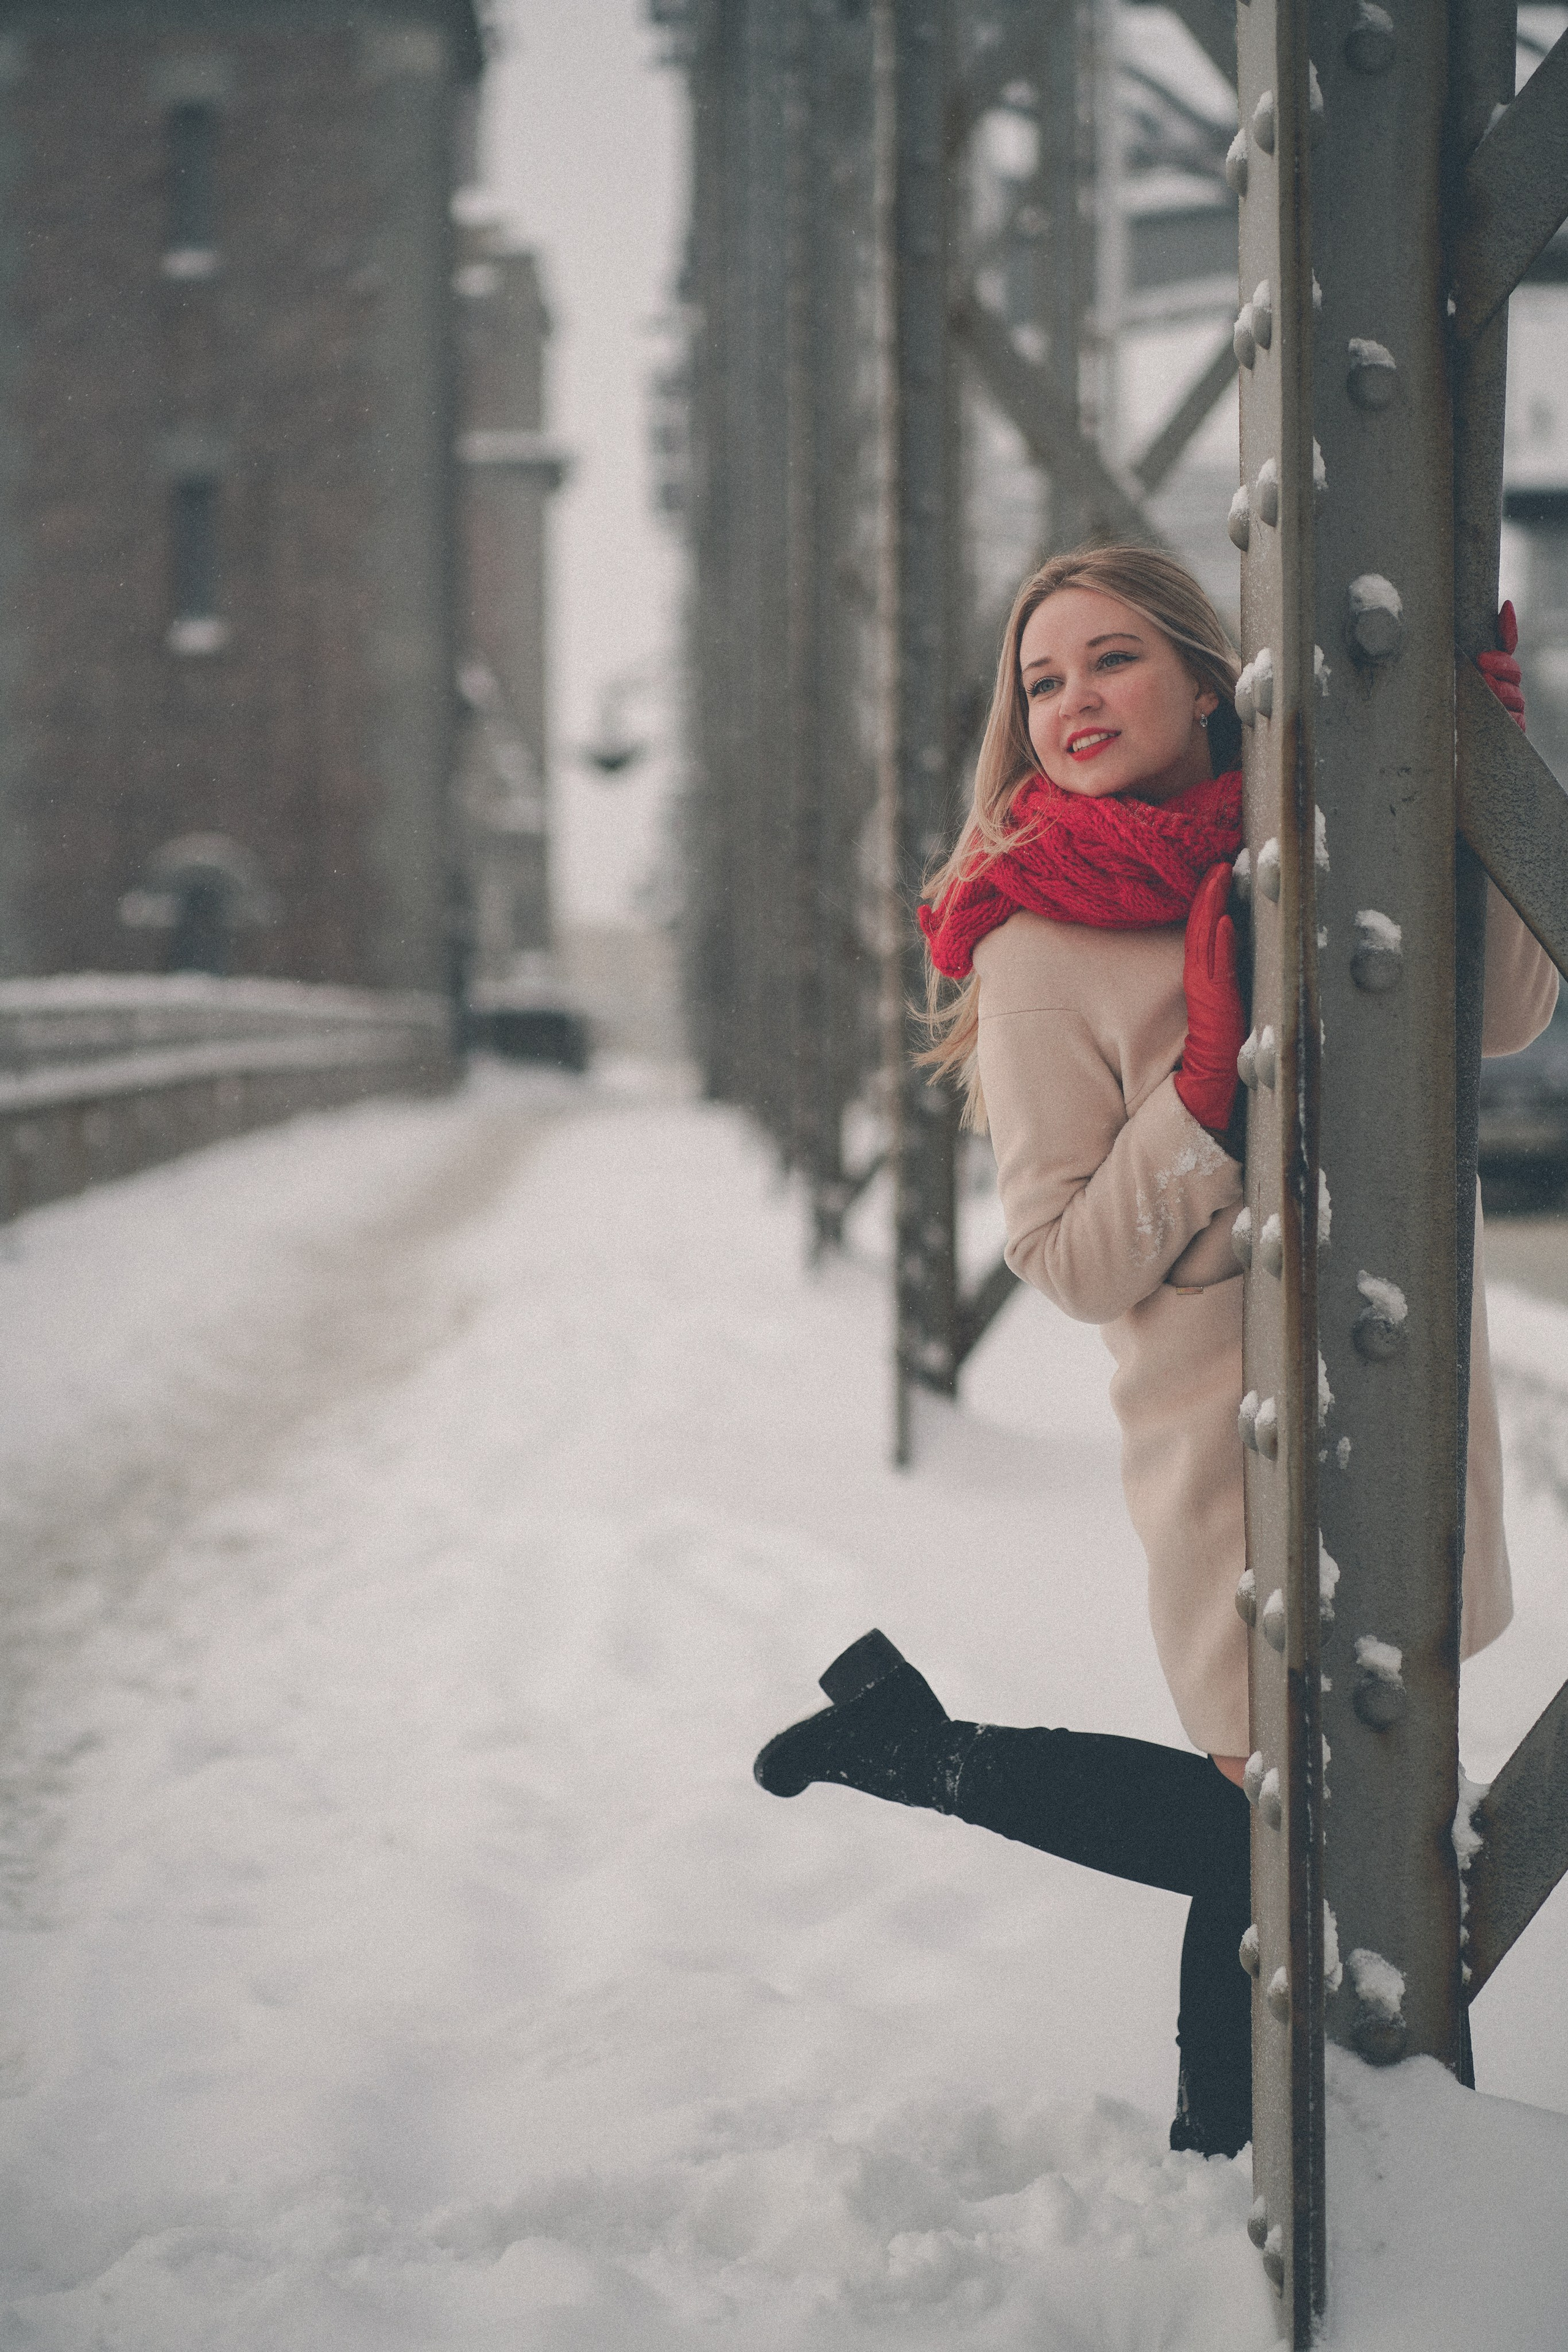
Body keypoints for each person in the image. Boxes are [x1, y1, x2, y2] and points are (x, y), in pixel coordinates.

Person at [753, 545, 1555, 2159]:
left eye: (1111, 661)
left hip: (1400, 1397)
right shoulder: (1034, 941)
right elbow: (1063, 1257)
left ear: (1210, 680)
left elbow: (1508, 1016)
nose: (1072, 703)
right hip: (1228, 1438)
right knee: (1277, 1821)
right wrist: (1200, 1093)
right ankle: (937, 1764)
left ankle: (1223, 2155)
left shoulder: (1326, 850)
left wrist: (1487, 775)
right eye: (1041, 682)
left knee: (1312, 1820)